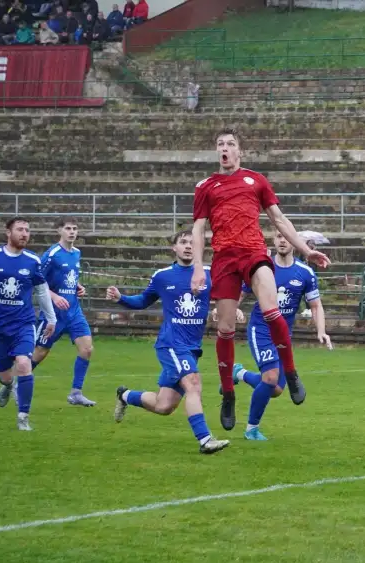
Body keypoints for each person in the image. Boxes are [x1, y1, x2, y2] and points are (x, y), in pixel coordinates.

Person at [190, 127, 330, 431]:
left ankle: (290, 373)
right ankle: (228, 393)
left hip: (254, 253)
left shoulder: (256, 180)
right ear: (217, 151)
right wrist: (199, 267)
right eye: (220, 144)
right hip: (225, 259)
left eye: (230, 144)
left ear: (240, 151)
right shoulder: (206, 186)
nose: (225, 148)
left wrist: (306, 250)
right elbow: (199, 229)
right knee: (225, 329)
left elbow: (279, 219)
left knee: (271, 310)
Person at [107, 230, 229, 455]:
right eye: (183, 242)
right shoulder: (163, 275)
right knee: (193, 384)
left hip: (192, 347)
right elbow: (144, 300)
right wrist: (121, 298)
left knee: (164, 406)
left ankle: (124, 395)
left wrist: (227, 310)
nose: (188, 246)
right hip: (171, 343)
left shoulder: (209, 273)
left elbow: (226, 296)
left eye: (192, 243)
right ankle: (205, 440)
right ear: (174, 248)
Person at [230, 231, 333, 441]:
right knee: (270, 378)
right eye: (278, 236)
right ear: (274, 241)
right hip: (261, 330)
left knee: (275, 389)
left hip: (283, 335)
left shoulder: (305, 273)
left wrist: (321, 330)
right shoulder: (262, 268)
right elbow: (239, 294)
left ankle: (239, 374)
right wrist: (233, 309)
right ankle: (251, 429)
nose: (283, 240)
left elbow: (315, 306)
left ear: (296, 243)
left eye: (287, 236)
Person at [0, 217, 56, 432]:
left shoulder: (33, 260)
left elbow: (41, 290)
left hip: (23, 323)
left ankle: (23, 416)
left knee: (24, 363)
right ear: (8, 232)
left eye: (27, 230)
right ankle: (8, 385)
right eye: (20, 229)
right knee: (5, 375)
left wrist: (51, 318)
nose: (24, 234)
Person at [31, 217, 96, 407]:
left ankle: (76, 393)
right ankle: (18, 383)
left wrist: (77, 286)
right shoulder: (52, 255)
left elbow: (68, 278)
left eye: (75, 228)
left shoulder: (76, 253)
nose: (72, 232)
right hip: (53, 313)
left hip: (74, 311)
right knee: (40, 352)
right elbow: (38, 282)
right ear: (59, 231)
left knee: (87, 349)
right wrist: (54, 296)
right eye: (68, 228)